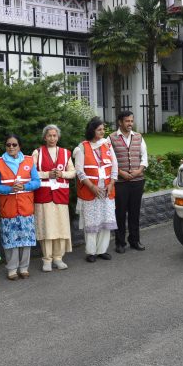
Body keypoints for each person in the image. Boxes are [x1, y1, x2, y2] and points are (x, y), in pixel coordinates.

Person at [0, 134, 41, 281]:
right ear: (5, 146)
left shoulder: (28, 160)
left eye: (14, 145)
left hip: (25, 207)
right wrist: (9, 189)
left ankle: (24, 268)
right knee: (10, 240)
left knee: (26, 240)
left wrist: (25, 186)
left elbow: (37, 182)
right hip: (9, 208)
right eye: (8, 145)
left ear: (19, 146)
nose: (11, 147)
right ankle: (12, 269)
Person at [32, 125, 75, 272]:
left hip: (60, 196)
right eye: (49, 136)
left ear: (58, 137)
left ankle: (58, 258)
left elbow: (73, 172)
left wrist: (62, 174)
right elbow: (31, 173)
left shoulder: (65, 153)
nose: (52, 138)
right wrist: (46, 174)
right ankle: (47, 259)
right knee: (47, 229)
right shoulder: (37, 153)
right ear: (45, 137)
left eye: (54, 136)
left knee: (61, 228)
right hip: (44, 197)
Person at [74, 117, 118, 263]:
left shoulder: (107, 144)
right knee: (91, 222)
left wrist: (111, 183)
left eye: (103, 129)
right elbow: (79, 172)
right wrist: (92, 187)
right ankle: (91, 251)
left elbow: (114, 166)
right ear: (92, 130)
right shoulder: (82, 147)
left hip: (106, 190)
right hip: (90, 191)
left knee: (106, 220)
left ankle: (102, 250)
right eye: (99, 129)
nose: (102, 132)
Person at [109, 110, 148, 253]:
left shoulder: (138, 136)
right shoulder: (111, 138)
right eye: (127, 121)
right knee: (120, 213)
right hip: (120, 182)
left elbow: (144, 156)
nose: (130, 123)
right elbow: (110, 161)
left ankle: (134, 240)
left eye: (131, 121)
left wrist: (139, 171)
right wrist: (120, 173)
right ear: (120, 122)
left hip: (137, 181)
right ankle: (120, 243)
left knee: (134, 212)